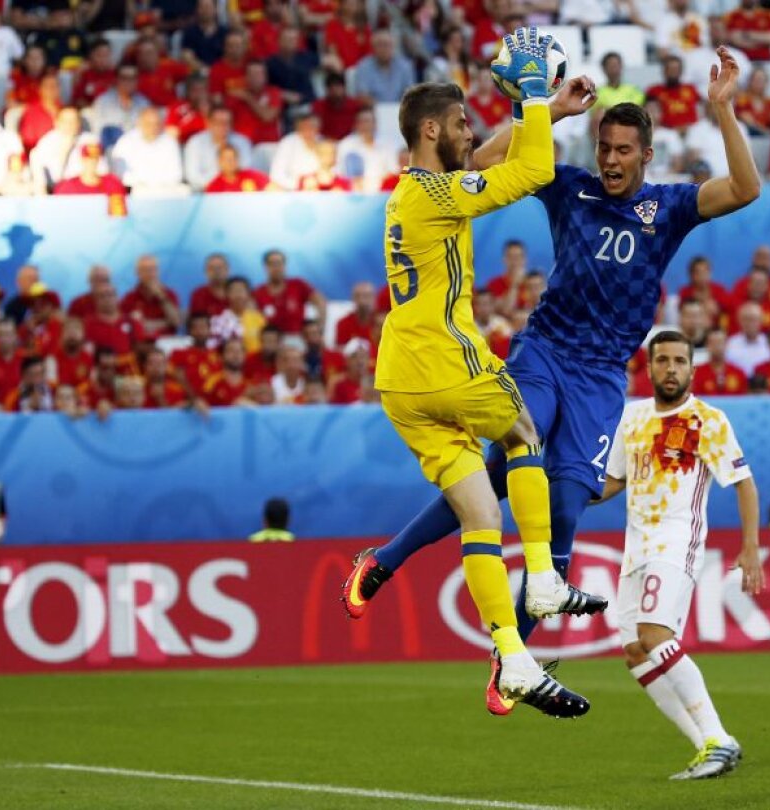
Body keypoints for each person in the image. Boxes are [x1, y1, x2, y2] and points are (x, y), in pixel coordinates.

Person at [344, 46, 762, 713]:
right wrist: (543, 111)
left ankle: (506, 655)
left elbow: (745, 190)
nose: (613, 159)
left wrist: (723, 110)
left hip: (601, 379)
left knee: (560, 505)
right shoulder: (571, 187)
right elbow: (479, 164)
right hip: (544, 350)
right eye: (605, 146)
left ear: (647, 155)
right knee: (512, 452)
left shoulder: (669, 207)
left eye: (625, 149)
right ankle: (408, 570)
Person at [341, 32, 594, 719]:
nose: (469, 129)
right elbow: (532, 172)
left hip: (401, 381)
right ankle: (542, 580)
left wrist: (549, 117)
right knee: (522, 430)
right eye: (458, 122)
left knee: (480, 513)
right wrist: (535, 97)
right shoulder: (432, 196)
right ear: (430, 128)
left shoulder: (417, 191)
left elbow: (485, 163)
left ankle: (512, 658)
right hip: (442, 360)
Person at [598, 330, 763, 779]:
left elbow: (744, 483)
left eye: (679, 361)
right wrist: (569, 495)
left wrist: (751, 547)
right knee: (634, 651)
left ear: (692, 368)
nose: (671, 368)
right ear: (648, 367)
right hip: (636, 547)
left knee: (653, 635)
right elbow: (614, 481)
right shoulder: (631, 418)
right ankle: (707, 747)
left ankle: (719, 738)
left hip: (676, 540)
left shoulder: (707, 420)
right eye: (663, 360)